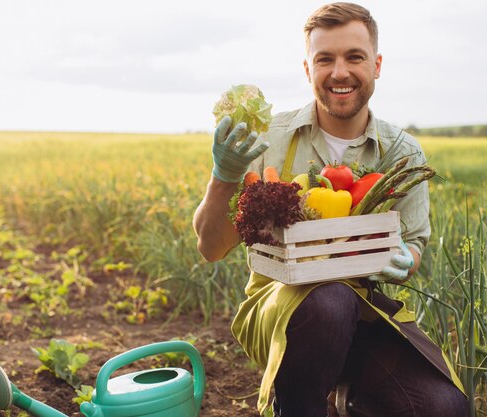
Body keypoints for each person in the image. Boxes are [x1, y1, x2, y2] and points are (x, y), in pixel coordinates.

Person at [193, 3, 469, 416]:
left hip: (367, 313)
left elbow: (412, 244)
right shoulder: (269, 138)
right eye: (325, 59)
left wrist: (405, 259)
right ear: (308, 70)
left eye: (354, 57)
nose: (340, 72)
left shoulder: (401, 152)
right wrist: (224, 174)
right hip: (276, 311)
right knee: (329, 301)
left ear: (376, 65)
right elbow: (211, 248)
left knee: (442, 407)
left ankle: (346, 400)